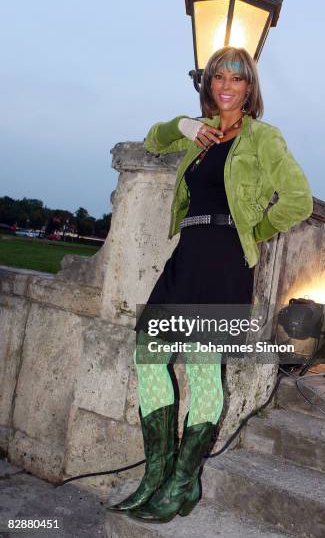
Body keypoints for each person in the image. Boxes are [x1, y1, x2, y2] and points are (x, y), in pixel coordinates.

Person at [107, 46, 313, 523]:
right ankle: (156, 475)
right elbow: (153, 139)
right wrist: (184, 126)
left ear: (249, 88)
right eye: (219, 76)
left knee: (203, 369)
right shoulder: (199, 134)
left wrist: (253, 232)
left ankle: (183, 480)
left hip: (223, 261)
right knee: (148, 354)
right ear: (209, 84)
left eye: (237, 78)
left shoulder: (263, 138)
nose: (226, 85)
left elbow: (298, 199)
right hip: (187, 254)